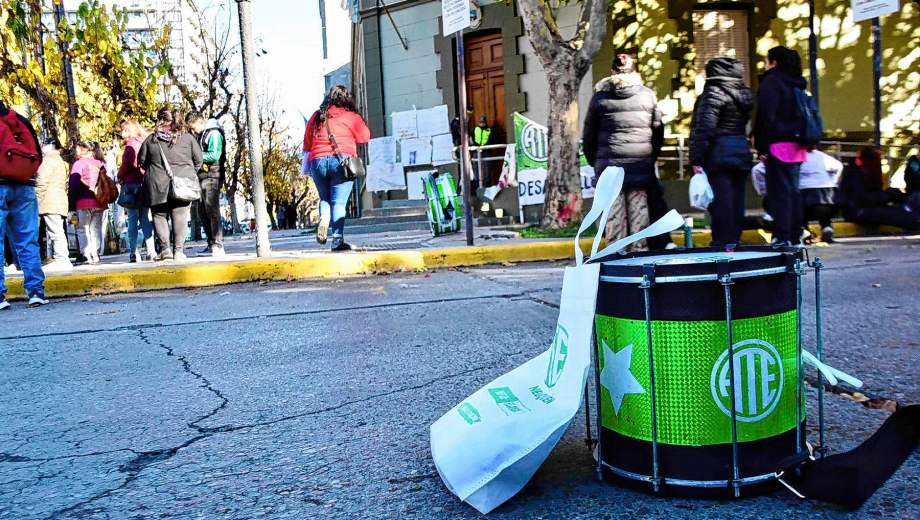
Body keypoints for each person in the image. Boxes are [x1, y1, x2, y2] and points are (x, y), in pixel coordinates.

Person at [582, 53, 664, 251]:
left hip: (609, 166)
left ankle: (617, 253)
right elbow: (658, 131)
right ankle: (639, 252)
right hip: (640, 162)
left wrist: (595, 162)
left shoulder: (599, 98)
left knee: (614, 213)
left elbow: (589, 135)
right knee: (639, 212)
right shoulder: (647, 95)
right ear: (635, 72)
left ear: (612, 72)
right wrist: (650, 156)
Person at [689, 57, 755, 248]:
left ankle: (722, 241)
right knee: (737, 200)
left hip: (718, 153)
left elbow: (705, 128)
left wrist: (696, 158)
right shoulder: (744, 94)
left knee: (720, 201)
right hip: (740, 150)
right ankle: (734, 239)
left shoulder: (712, 94)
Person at [753, 46, 810, 247]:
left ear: (774, 62)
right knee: (793, 191)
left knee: (779, 192)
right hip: (798, 145)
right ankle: (796, 233)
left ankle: (783, 235)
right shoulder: (797, 83)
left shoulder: (772, 82)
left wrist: (761, 146)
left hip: (778, 144)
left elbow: (765, 116)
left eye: (767, 61)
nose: (765, 65)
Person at [303, 85, 371, 252]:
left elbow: (307, 142)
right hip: (342, 162)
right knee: (338, 203)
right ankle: (337, 240)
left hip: (317, 161)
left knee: (324, 199)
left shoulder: (317, 116)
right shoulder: (351, 116)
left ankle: (324, 219)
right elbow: (365, 137)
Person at [138, 107, 203, 261]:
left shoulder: (151, 140)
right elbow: (199, 160)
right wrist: (187, 173)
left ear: (159, 120)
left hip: (157, 185)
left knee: (159, 215)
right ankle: (179, 251)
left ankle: (165, 249)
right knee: (180, 215)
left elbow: (141, 161)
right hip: (183, 184)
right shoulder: (187, 138)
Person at [0, 101, 47, 308]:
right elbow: (37, 154)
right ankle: (36, 291)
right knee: (28, 240)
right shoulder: (19, 120)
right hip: (25, 186)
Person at [752, 148, 843, 243]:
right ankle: (826, 226)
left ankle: (802, 230)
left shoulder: (787, 155)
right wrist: (833, 182)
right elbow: (839, 166)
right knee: (820, 211)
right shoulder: (822, 156)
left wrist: (764, 191)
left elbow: (757, 170)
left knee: (795, 205)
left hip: (803, 197)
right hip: (830, 198)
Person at [838, 147, 919, 231]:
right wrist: (887, 195)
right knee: (896, 215)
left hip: (867, 208)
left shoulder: (866, 173)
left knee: (900, 210)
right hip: (858, 211)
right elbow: (862, 199)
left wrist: (894, 195)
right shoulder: (854, 174)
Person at [187, 112, 226, 256]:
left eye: (193, 128)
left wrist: (196, 157)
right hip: (202, 176)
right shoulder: (202, 134)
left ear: (200, 122)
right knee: (202, 211)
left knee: (211, 209)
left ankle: (217, 243)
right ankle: (211, 243)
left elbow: (214, 155)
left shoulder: (214, 133)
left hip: (212, 175)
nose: (192, 132)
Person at [117, 119, 156, 262]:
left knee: (132, 219)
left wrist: (120, 176)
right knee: (145, 218)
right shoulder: (144, 142)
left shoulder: (131, 145)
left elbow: (127, 164)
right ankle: (151, 250)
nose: (122, 134)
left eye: (124, 130)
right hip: (144, 183)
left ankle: (134, 252)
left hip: (131, 184)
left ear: (129, 130)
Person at [34, 138, 72, 271]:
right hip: (58, 199)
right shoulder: (60, 160)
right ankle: (61, 258)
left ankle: (61, 259)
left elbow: (41, 181)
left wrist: (36, 200)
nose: (41, 146)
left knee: (55, 231)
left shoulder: (48, 160)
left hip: (49, 200)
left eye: (44, 144)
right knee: (57, 230)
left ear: (51, 145)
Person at [68, 141, 107, 265]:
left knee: (82, 229)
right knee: (95, 229)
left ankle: (86, 254)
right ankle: (96, 254)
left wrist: (71, 206)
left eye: (77, 149)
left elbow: (73, 185)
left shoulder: (79, 164)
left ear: (82, 149)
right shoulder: (100, 163)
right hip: (99, 202)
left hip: (83, 202)